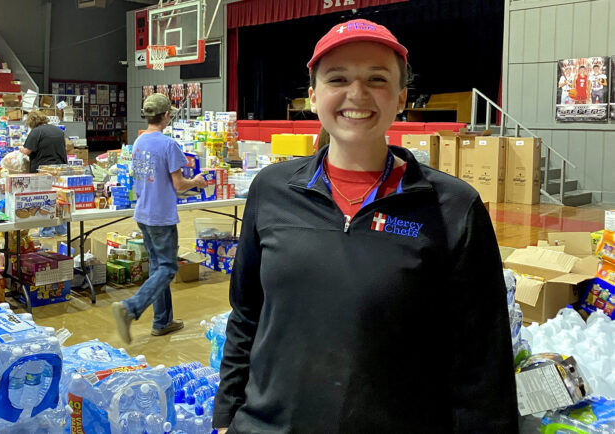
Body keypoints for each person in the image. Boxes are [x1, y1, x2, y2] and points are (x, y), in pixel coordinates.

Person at [213, 19, 518, 433]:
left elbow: (482, 359)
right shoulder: (271, 190)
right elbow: (246, 312)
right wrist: (226, 416)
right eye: (337, 78)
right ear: (313, 94)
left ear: (400, 97)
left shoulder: (451, 207)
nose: (357, 94)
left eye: (377, 79)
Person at [111, 93, 206, 344]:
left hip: (143, 213)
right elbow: (179, 184)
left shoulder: (140, 142)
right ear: (166, 115)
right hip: (160, 217)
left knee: (156, 267)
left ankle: (162, 321)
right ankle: (131, 308)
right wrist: (195, 181)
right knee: (167, 268)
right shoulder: (168, 145)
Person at [19, 110, 68, 237]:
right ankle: (62, 230)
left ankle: (46, 231)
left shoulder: (36, 132)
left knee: (45, 199)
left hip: (43, 170)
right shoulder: (58, 130)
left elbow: (27, 151)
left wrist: (20, 149)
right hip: (60, 169)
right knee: (59, 199)